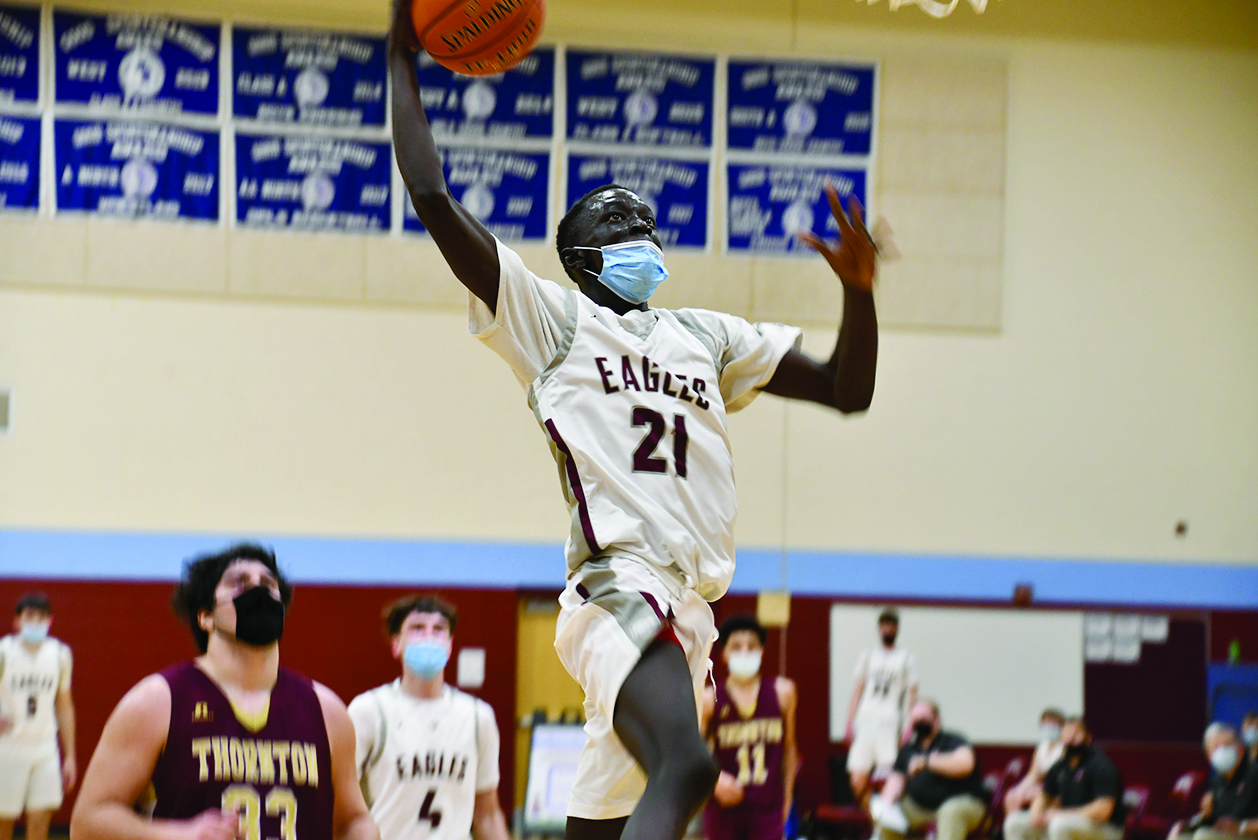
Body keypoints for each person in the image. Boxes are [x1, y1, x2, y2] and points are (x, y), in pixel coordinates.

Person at [388, 4, 879, 840]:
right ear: (578, 258)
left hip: (689, 608)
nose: (639, 233)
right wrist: (403, 50)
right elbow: (432, 195)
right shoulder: (553, 321)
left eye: (644, 222)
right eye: (616, 224)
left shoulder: (707, 335)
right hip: (620, 584)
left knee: (604, 827)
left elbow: (846, 388)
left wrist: (859, 292)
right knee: (688, 766)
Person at [70, 544, 378, 840]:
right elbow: (88, 822)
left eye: (268, 584)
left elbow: (353, 820)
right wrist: (172, 835)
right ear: (205, 616)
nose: (258, 590)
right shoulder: (157, 702)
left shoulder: (326, 710)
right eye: (240, 583)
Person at [348, 595, 510, 840]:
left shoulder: (478, 717)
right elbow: (341, 805)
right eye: (417, 628)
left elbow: (487, 815)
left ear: (450, 645)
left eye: (438, 630)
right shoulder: (368, 711)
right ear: (396, 645)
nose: (428, 637)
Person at [700, 615, 799, 840]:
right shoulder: (709, 699)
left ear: (762, 651)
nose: (744, 652)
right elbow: (692, 751)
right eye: (736, 646)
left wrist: (788, 801)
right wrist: (714, 781)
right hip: (723, 807)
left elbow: (790, 750)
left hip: (768, 807)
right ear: (724, 653)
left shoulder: (784, 692)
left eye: (751, 646)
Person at [0, 593, 76, 840]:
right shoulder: (4, 651)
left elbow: (64, 704)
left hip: (45, 748)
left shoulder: (60, 654)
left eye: (42, 617)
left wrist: (70, 756)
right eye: (30, 616)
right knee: (3, 823)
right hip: (8, 746)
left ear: (50, 621)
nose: (36, 622)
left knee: (40, 822)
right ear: (17, 621)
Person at [871, 699, 987, 840]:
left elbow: (965, 764)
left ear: (937, 720)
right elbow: (897, 778)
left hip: (962, 803)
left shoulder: (953, 740)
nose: (919, 722)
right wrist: (887, 804)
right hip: (921, 807)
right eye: (915, 719)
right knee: (889, 816)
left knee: (950, 812)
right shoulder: (909, 749)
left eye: (924, 718)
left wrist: (927, 761)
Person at [1004, 717, 1126, 840]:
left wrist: (1061, 815)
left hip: (1106, 828)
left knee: (1059, 825)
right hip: (1068, 820)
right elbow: (1045, 795)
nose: (1070, 738)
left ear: (1088, 738)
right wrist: (1037, 812)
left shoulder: (1102, 766)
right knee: (1014, 822)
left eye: (1076, 734)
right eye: (1067, 733)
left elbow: (1103, 811)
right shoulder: (1060, 766)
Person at [845, 609, 918, 809]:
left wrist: (910, 726)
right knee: (857, 780)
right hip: (865, 721)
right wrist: (849, 721)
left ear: (897, 629)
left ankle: (884, 830)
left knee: (888, 783)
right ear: (879, 629)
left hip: (889, 724)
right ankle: (876, 823)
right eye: (884, 625)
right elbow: (857, 690)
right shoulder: (868, 655)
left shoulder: (906, 657)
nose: (888, 629)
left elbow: (912, 695)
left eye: (892, 625)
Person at [1168, 723, 1258, 840]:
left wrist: (1242, 826)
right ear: (1209, 756)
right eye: (1216, 747)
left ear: (1241, 747)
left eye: (1227, 745)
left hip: (1250, 835)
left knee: (1202, 836)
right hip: (1224, 835)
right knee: (1178, 837)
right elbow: (1212, 820)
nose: (1222, 750)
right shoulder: (1217, 782)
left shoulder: (1255, 772)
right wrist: (1187, 825)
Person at [1005, 709, 1067, 813]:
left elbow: (1060, 778)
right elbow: (1033, 775)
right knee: (1011, 796)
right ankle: (1014, 826)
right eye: (1046, 723)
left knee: (1038, 797)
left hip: (1056, 789)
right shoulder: (1041, 748)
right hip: (1040, 786)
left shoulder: (1064, 749)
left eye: (1053, 723)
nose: (1049, 727)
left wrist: (1040, 790)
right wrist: (1020, 791)